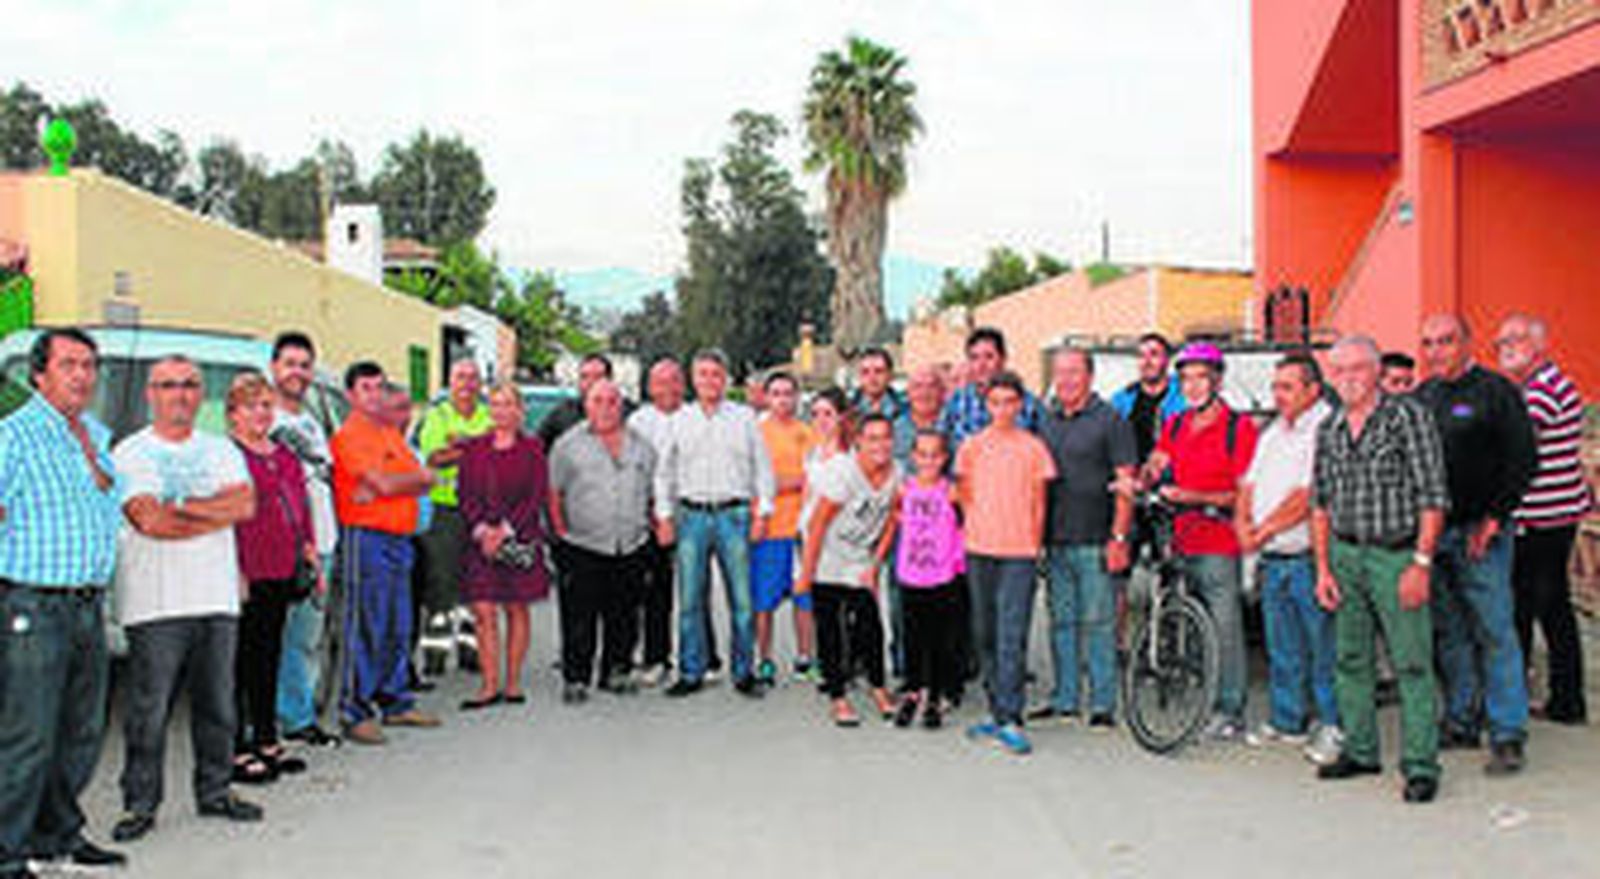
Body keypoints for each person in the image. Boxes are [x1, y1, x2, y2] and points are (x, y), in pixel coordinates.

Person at [110, 355, 263, 842]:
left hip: (215, 597)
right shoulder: (130, 453)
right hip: (155, 602)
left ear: (202, 395)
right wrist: (209, 513)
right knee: (148, 711)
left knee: (218, 704)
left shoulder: (221, 449)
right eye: (168, 385)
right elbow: (146, 521)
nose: (179, 393)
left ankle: (215, 791)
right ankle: (139, 803)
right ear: (151, 394)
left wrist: (178, 507)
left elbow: (245, 504)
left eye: (190, 385)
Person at [0, 328, 127, 876]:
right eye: (70, 364)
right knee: (28, 733)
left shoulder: (95, 434)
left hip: (85, 604)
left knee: (80, 730)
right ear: (39, 374)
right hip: (34, 604)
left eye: (89, 365)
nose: (83, 375)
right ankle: (8, 849)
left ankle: (58, 834)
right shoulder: (14, 436)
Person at [1311, 335, 1449, 804]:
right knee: (1351, 659)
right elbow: (1320, 504)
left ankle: (1421, 766)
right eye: (1339, 370)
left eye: (1357, 368)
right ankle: (1362, 750)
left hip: (1396, 556)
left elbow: (1433, 495)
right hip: (1346, 555)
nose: (1347, 378)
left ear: (1375, 370)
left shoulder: (1408, 417)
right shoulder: (1329, 428)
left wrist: (1421, 563)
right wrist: (1324, 568)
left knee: (1412, 663)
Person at [1416, 314, 1538, 774]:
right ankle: (1462, 719)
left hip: (1480, 533)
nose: (1436, 351)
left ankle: (1508, 733)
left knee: (1494, 630)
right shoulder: (1423, 396)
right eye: (1428, 343)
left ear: (1465, 343)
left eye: (1446, 341)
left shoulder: (1496, 392)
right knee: (1450, 632)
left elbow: (1523, 459)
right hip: (1435, 533)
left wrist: (1495, 518)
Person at [1140, 342, 1259, 741]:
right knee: (1186, 623)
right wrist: (1140, 479)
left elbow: (1244, 495)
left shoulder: (1238, 429)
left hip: (1218, 541)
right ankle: (1196, 695)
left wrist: (1192, 497)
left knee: (1225, 627)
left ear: (1217, 380)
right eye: (1185, 378)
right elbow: (1156, 464)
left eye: (1199, 378)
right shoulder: (1174, 424)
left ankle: (1230, 711)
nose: (1191, 386)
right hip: (1179, 539)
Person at [331, 362, 442, 746]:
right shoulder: (350, 436)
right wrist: (404, 482)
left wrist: (401, 483)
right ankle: (354, 709)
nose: (374, 395)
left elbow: (422, 479)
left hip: (400, 538)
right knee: (366, 624)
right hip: (366, 538)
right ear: (351, 395)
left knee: (398, 622)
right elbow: (384, 481)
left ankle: (395, 701)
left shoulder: (389, 434)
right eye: (366, 388)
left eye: (380, 388)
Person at [1236, 354, 1340, 764]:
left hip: (1308, 555)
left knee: (1324, 647)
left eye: (1286, 387)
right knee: (1283, 647)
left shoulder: (1326, 428)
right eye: (1275, 386)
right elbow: (1248, 482)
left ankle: (1334, 724)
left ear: (1313, 390)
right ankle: (1288, 720)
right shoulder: (1274, 431)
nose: (1277, 395)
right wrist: (1244, 522)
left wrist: (1262, 531)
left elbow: (1309, 494)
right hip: (1274, 557)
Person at [654, 349, 775, 698]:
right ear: (693, 379)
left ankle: (744, 671)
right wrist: (664, 516)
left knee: (741, 601)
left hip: (733, 516)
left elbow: (762, 468)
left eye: (716, 374)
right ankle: (691, 670)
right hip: (690, 516)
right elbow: (664, 473)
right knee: (690, 599)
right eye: (703, 374)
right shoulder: (679, 420)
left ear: (726, 379)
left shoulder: (745, 419)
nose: (709, 380)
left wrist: (762, 512)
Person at [1029, 348, 1135, 729]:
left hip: (1097, 540)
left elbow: (1126, 483)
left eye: (1074, 372)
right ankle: (1066, 699)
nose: (1066, 380)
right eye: (1060, 373)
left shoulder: (1111, 420)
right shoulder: (1045, 419)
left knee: (1099, 623)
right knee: (1062, 623)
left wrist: (1119, 537)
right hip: (1056, 540)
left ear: (1090, 376)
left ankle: (1103, 704)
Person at [1496, 313, 1590, 724]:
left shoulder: (1543, 390)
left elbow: (1520, 444)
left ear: (1539, 345)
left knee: (1541, 608)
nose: (1505, 348)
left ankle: (1552, 700)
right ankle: (1557, 698)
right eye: (1500, 342)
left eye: (1514, 340)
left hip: (1544, 519)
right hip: (1545, 515)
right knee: (1543, 609)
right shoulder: (1534, 388)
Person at [956, 372, 1056, 756]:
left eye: (1009, 402)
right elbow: (964, 496)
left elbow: (1039, 502)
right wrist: (975, 532)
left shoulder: (1033, 448)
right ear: (986, 405)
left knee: (1011, 634)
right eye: (995, 402)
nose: (1002, 409)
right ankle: (997, 710)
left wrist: (1034, 545)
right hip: (980, 549)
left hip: (1019, 553)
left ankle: (1012, 717)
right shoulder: (971, 447)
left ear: (1020, 405)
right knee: (985, 633)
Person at [227, 374, 315, 785]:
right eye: (251, 406)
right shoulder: (228, 457)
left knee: (269, 658)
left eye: (266, 405)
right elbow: (226, 520)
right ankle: (237, 747)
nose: (261, 413)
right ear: (233, 414)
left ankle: (266, 738)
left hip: (282, 567)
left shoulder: (284, 455)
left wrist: (309, 548)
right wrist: (236, 570)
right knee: (240, 663)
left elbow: (301, 505)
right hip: (247, 571)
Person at [549, 380, 657, 702]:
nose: (606, 408)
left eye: (612, 401)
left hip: (631, 543)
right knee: (579, 615)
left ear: (622, 406)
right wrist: (560, 533)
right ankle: (576, 678)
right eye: (598, 400)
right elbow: (554, 493)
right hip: (583, 543)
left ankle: (616, 671)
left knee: (624, 614)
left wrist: (649, 529)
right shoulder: (567, 445)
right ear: (586, 404)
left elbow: (651, 492)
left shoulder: (642, 445)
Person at [796, 414, 901, 727]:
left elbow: (892, 519)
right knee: (831, 625)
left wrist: (874, 564)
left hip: (859, 554)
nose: (879, 445)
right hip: (824, 549)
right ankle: (838, 695)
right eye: (872, 438)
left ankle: (878, 687)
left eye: (885, 437)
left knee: (870, 622)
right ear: (858, 442)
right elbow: (816, 526)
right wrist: (806, 574)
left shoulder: (896, 472)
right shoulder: (843, 474)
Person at [266, 332, 341, 747]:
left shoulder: (310, 422)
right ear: (274, 368)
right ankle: (283, 720)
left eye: (304, 365)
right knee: (278, 636)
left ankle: (297, 714)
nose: (297, 372)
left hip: (323, 542)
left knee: (306, 638)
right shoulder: (267, 422)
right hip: (289, 548)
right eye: (289, 363)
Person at [456, 383, 551, 709]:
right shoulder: (474, 449)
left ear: (520, 410)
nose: (502, 411)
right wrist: (483, 530)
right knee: (483, 609)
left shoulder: (533, 448)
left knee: (515, 607)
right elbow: (464, 494)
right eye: (495, 404)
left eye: (508, 404)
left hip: (519, 537)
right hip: (481, 540)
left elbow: (535, 496)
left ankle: (512, 682)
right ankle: (488, 684)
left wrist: (506, 531)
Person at [414, 360, 494, 682]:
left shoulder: (489, 416)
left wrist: (459, 446)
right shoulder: (437, 415)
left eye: (473, 378)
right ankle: (435, 654)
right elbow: (434, 457)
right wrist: (477, 446)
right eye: (461, 377)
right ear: (450, 382)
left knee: (474, 584)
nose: (467, 384)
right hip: (444, 510)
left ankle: (470, 652)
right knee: (440, 583)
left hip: (481, 510)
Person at [886, 429, 964, 730]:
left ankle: (936, 691)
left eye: (935, 455)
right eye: (923, 454)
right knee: (913, 635)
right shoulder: (904, 490)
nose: (929, 460)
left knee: (939, 637)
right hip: (911, 574)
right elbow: (894, 520)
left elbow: (963, 525)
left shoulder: (951, 490)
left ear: (944, 458)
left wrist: (958, 564)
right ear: (913, 457)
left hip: (942, 576)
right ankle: (913, 688)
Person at [627, 358, 697, 686]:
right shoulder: (638, 421)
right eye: (660, 382)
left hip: (695, 511)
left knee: (696, 591)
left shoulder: (696, 418)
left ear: (683, 385)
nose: (667, 388)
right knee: (656, 591)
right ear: (649, 386)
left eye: (674, 381)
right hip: (652, 516)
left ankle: (701, 659)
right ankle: (656, 657)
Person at [752, 371, 817, 685]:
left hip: (802, 531)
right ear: (766, 397)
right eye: (776, 393)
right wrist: (784, 484)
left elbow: (815, 479)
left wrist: (788, 484)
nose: (782, 399)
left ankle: (806, 657)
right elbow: (754, 480)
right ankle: (764, 659)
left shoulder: (809, 432)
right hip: (769, 530)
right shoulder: (756, 433)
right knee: (764, 601)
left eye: (788, 393)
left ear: (797, 397)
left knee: (804, 599)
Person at [938, 327, 1043, 451]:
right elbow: (938, 446)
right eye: (974, 358)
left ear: (1003, 359)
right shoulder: (956, 403)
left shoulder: (1029, 405)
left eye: (989, 357)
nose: (981, 365)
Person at [1110, 332, 1187, 465]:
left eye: (1154, 354)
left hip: (1172, 474)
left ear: (1167, 360)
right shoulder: (1122, 399)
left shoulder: (1184, 397)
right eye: (1141, 356)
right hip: (1132, 475)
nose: (1147, 361)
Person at [538, 353, 617, 449]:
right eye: (584, 377)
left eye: (597, 377)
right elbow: (538, 450)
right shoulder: (561, 414)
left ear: (610, 380)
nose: (590, 382)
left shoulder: (627, 416)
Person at [892, 364, 945, 469]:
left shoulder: (954, 428)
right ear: (908, 392)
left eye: (931, 386)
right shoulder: (893, 431)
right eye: (917, 386)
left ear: (942, 392)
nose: (924, 393)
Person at [851, 346, 906, 420]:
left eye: (878, 371)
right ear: (859, 376)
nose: (872, 378)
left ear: (890, 376)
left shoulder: (906, 412)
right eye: (865, 372)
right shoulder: (847, 413)